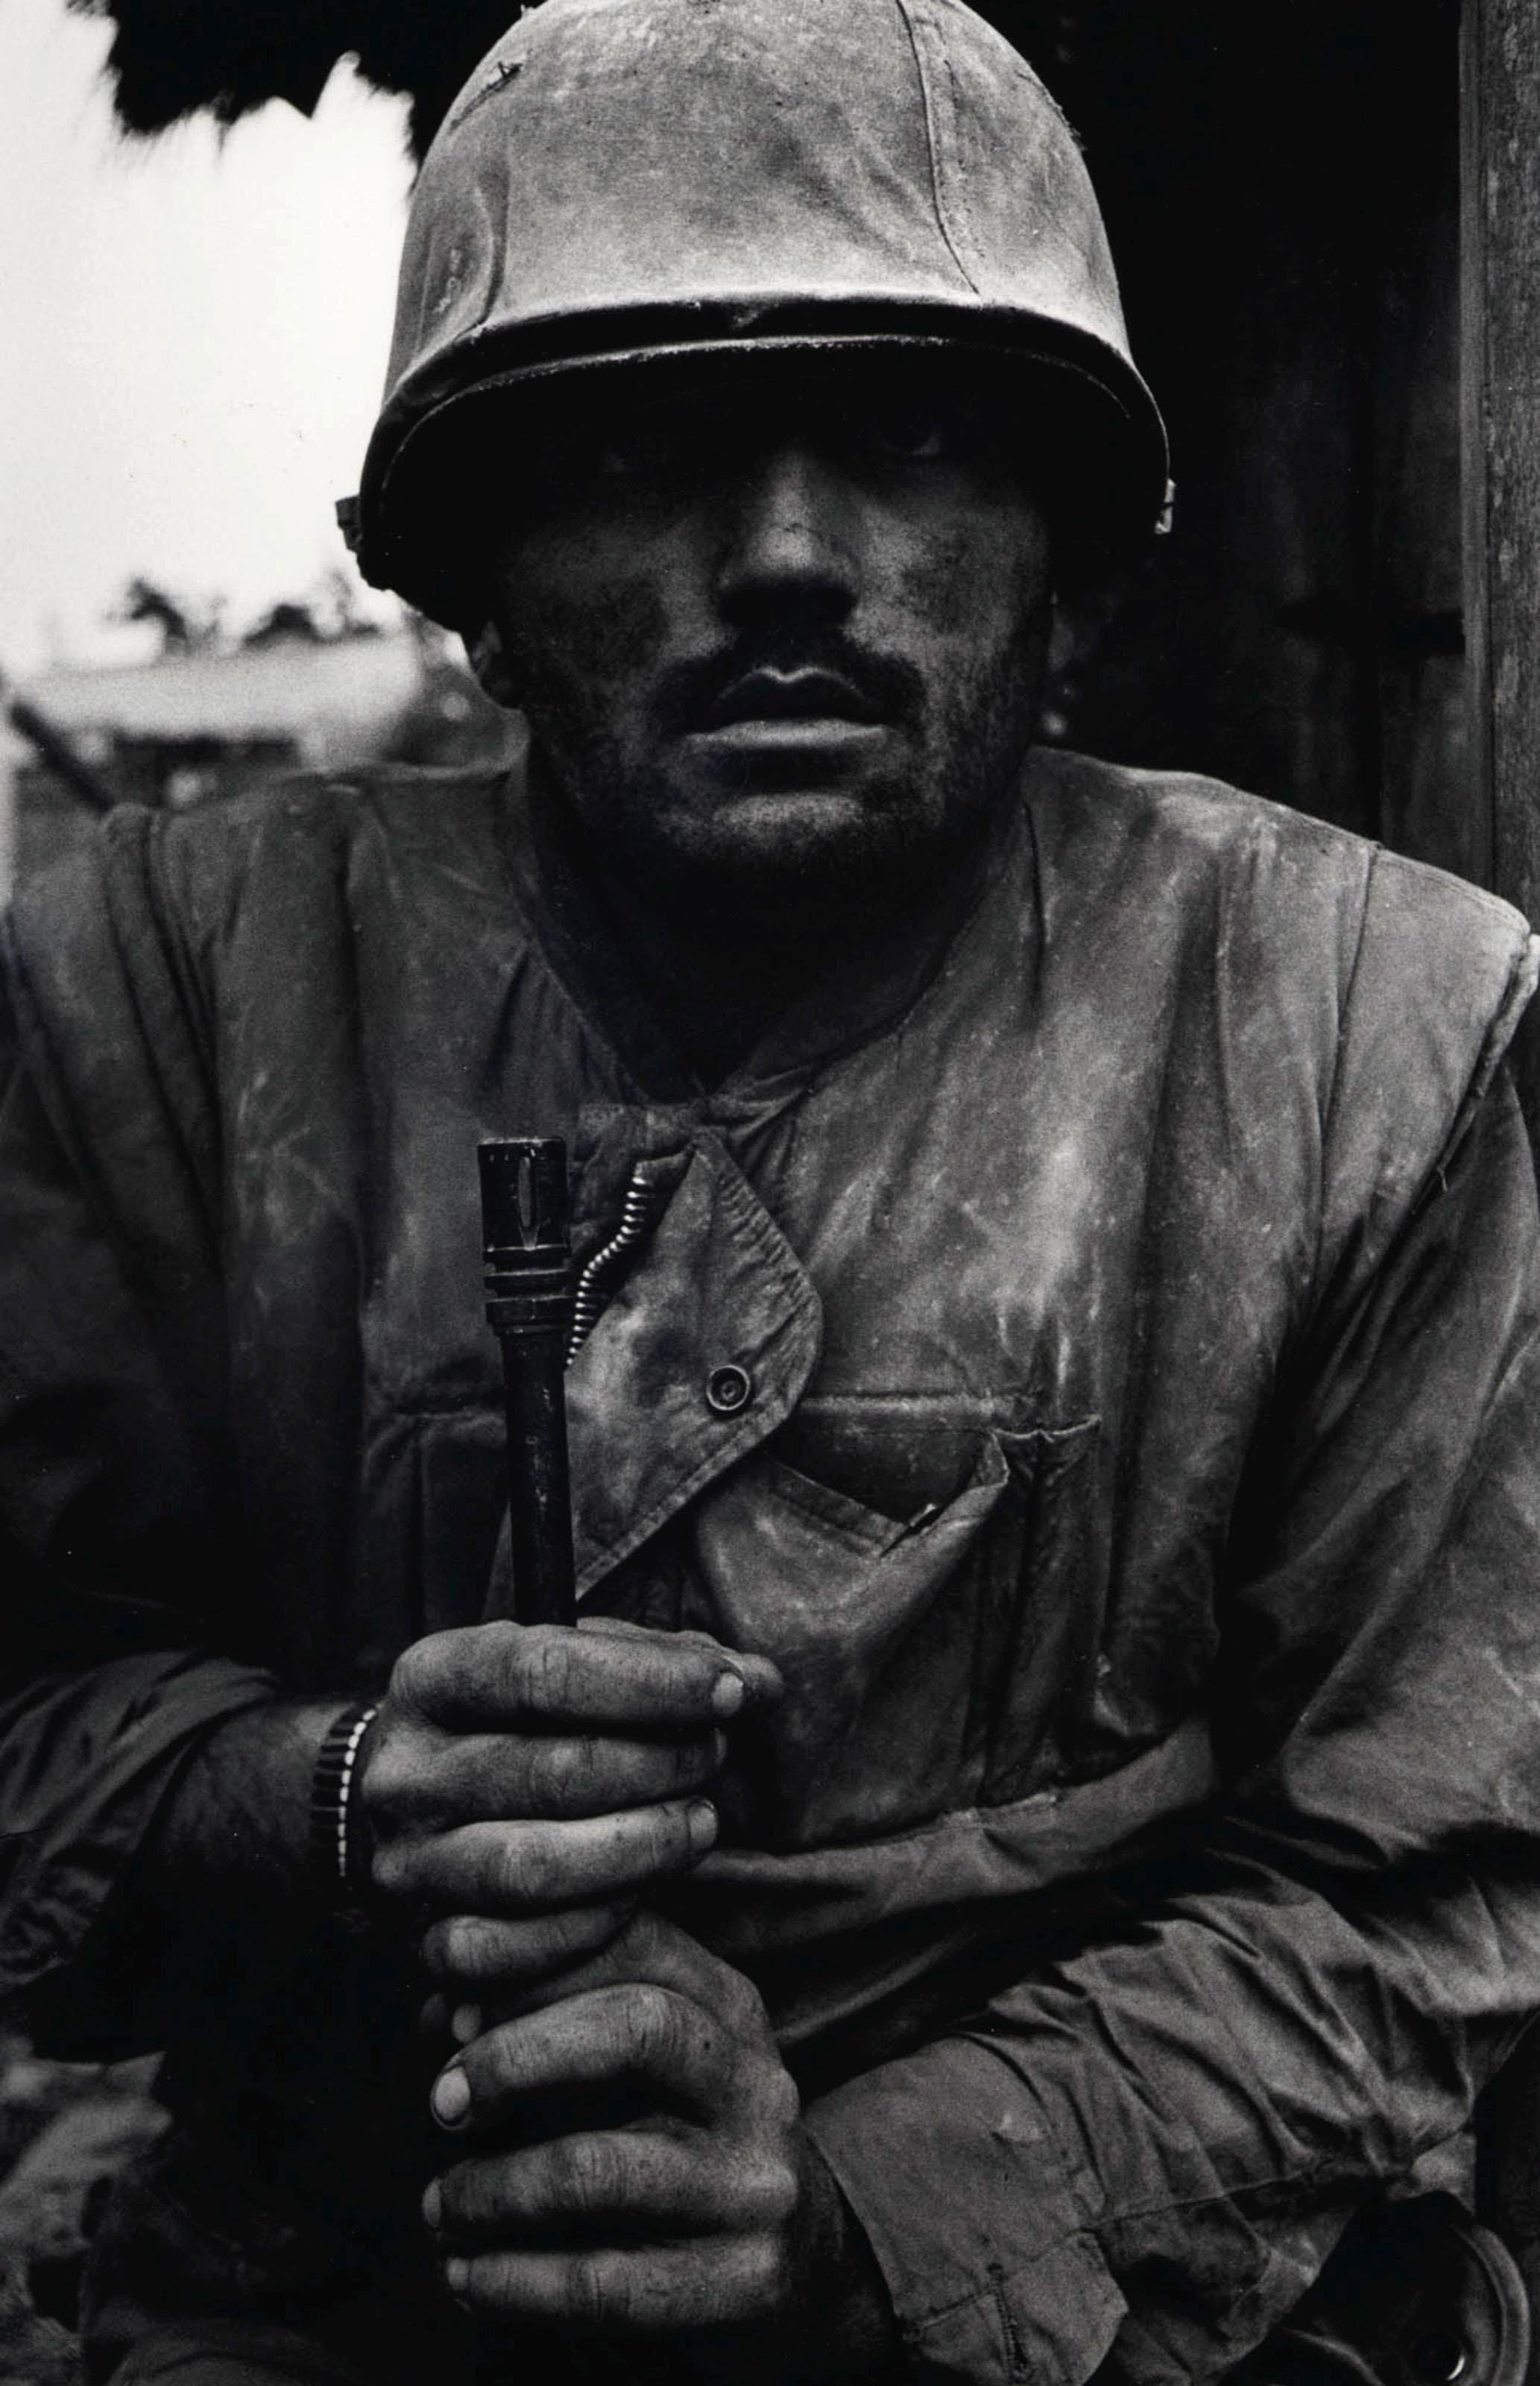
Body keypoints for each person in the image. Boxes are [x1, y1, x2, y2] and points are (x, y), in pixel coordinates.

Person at [4, 0, 1540, 2381]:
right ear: (477, 585)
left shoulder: (1366, 1025)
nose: (789, 557)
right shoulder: (150, 1000)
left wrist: (881, 2214)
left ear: (1077, 580)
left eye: (915, 440)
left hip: (1133, 2301)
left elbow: (1420, 1878)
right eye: (636, 447)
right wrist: (310, 1797)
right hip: (346, 2288)